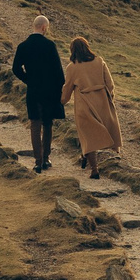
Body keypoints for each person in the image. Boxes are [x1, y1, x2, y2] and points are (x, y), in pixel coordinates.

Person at [10, 15, 66, 173]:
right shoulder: (49, 45)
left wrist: (28, 80)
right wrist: (60, 88)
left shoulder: (23, 46)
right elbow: (58, 70)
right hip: (49, 91)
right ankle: (46, 157)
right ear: (43, 27)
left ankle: (37, 161)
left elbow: (15, 68)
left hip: (33, 91)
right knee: (47, 124)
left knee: (35, 124)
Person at [60, 36, 122, 176]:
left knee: (88, 136)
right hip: (102, 102)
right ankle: (84, 157)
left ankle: (94, 169)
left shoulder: (72, 67)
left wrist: (63, 101)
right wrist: (109, 98)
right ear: (87, 47)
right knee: (100, 131)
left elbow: (68, 87)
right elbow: (110, 84)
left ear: (73, 50)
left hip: (84, 105)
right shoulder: (99, 62)